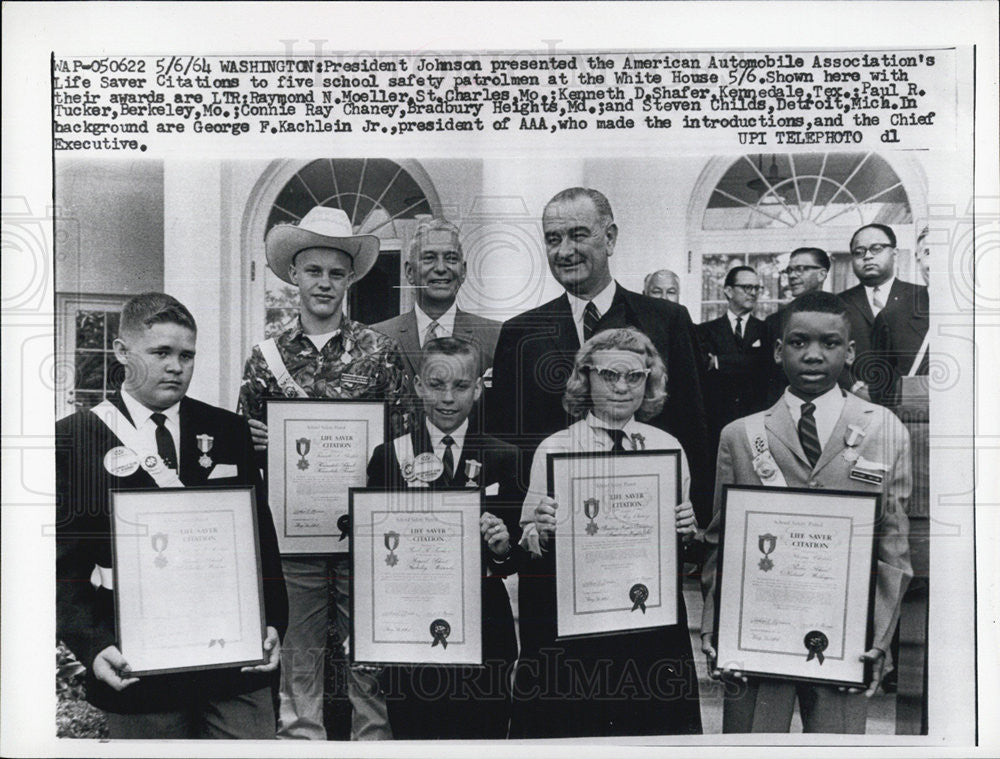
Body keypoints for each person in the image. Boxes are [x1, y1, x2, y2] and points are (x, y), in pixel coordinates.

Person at [56, 292, 288, 739]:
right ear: (122, 351)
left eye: (186, 355)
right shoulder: (74, 439)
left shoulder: (227, 430)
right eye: (161, 352)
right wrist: (94, 644)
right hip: (137, 665)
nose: (176, 366)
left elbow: (261, 543)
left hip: (233, 663)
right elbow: (63, 568)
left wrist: (274, 621)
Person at [700, 291, 913, 733]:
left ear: (850, 351)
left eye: (829, 343)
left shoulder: (882, 428)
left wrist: (878, 636)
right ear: (778, 351)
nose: (813, 354)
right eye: (798, 342)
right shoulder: (742, 435)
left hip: (845, 636)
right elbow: (721, 543)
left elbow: (892, 543)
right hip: (758, 635)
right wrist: (716, 627)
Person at [237, 206, 408, 741]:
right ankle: (300, 745)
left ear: (350, 278)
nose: (325, 283)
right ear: (294, 274)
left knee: (370, 656)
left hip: (365, 536)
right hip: (293, 536)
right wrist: (253, 442)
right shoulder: (265, 359)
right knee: (299, 659)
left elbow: (404, 445)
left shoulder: (380, 353)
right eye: (314, 271)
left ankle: (372, 744)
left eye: (336, 273)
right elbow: (242, 447)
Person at [513, 327, 702, 738]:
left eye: (634, 377)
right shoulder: (556, 448)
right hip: (579, 625)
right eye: (608, 375)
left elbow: (678, 546)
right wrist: (539, 529)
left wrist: (687, 531)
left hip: (646, 622)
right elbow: (527, 539)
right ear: (586, 378)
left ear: (648, 381)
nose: (621, 387)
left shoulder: (666, 447)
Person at [488, 187, 711, 526]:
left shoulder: (667, 321)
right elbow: (507, 445)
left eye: (578, 235)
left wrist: (693, 527)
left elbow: (693, 428)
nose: (564, 251)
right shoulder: (521, 332)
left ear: (609, 238)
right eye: (553, 239)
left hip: (648, 529)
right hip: (554, 538)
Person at [366, 337, 523, 739]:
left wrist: (503, 549)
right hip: (410, 628)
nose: (448, 398)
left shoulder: (504, 456)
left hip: (485, 625)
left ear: (478, 388)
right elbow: (372, 555)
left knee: (483, 737)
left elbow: (514, 555)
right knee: (415, 736)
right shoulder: (390, 457)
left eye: (460, 386)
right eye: (436, 385)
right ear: (418, 386)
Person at [373, 218, 502, 381]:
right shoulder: (377, 337)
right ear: (409, 272)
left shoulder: (497, 337)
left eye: (451, 258)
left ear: (463, 271)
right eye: (429, 258)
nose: (441, 268)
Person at [838, 224, 928, 401]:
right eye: (859, 252)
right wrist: (853, 387)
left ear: (894, 254)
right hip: (853, 402)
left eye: (876, 249)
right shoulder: (838, 304)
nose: (868, 256)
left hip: (911, 402)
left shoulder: (922, 298)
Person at [696, 265, 770, 453]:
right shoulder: (704, 331)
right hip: (717, 420)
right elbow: (703, 366)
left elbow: (764, 364)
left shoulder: (767, 329)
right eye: (747, 287)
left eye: (756, 288)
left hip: (757, 419)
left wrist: (719, 361)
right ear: (728, 291)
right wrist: (748, 362)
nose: (753, 293)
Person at [764, 247, 832, 403]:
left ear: (821, 274)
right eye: (790, 270)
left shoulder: (843, 315)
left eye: (801, 269)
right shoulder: (774, 322)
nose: (793, 276)